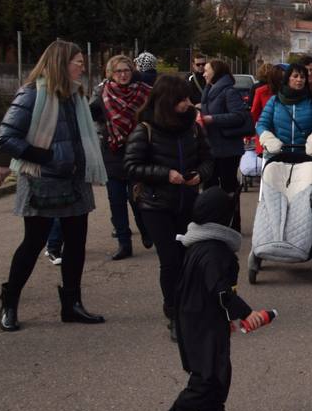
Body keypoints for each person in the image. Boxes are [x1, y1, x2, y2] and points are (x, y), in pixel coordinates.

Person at [0, 40, 109, 332]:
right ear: (61, 62)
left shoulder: (76, 96)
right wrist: (47, 157)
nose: (82, 67)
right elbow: (6, 137)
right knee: (33, 244)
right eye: (78, 62)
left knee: (76, 244)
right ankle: (9, 303)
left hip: (74, 180)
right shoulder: (32, 93)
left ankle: (71, 305)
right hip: (41, 180)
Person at [165, 187, 271, 411]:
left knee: (220, 370)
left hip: (205, 318)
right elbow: (220, 291)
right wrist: (246, 313)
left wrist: (228, 319)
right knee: (207, 374)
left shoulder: (204, 244)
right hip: (199, 322)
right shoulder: (212, 252)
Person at [126, 75, 214, 339]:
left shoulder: (193, 128)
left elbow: (207, 158)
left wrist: (201, 174)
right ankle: (175, 312)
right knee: (170, 260)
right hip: (155, 204)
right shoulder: (145, 129)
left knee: (188, 259)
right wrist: (165, 174)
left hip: (187, 202)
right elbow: (131, 166)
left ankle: (189, 307)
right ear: (167, 102)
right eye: (183, 99)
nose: (189, 103)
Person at [90, 54, 151, 260]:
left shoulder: (144, 91)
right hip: (113, 151)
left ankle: (146, 229)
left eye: (126, 70)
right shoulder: (101, 92)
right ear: (111, 73)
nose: (123, 75)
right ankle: (124, 244)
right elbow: (93, 117)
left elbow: (154, 117)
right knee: (116, 200)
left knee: (137, 198)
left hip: (138, 151)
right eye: (118, 71)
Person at [199, 59, 252, 232]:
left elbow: (238, 116)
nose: (203, 73)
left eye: (207, 70)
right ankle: (213, 222)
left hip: (228, 150)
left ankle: (232, 224)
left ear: (216, 71)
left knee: (228, 187)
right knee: (209, 186)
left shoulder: (228, 91)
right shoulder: (210, 89)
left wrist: (212, 119)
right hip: (211, 148)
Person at [255, 63, 312, 156]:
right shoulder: (275, 101)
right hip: (279, 155)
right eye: (295, 76)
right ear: (288, 78)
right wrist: (269, 139)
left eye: (302, 77)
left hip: (306, 156)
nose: (299, 79)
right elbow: (262, 124)